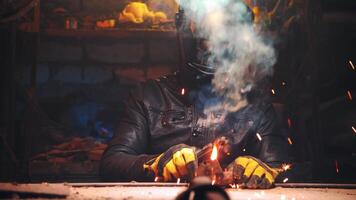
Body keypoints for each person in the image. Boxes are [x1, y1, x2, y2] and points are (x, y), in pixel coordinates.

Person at [100, 2, 289, 189]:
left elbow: (283, 169)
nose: (213, 51)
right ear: (188, 35)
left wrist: (264, 169)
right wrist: (157, 163)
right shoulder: (149, 96)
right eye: (206, 42)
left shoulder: (256, 105)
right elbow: (112, 163)